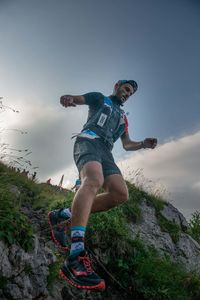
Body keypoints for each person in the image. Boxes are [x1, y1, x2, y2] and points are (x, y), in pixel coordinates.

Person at [48, 80, 157, 291]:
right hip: (88, 140)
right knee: (94, 181)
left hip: (106, 153)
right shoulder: (100, 98)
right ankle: (75, 256)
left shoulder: (124, 119)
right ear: (117, 86)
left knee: (120, 194)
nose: (127, 94)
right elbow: (79, 99)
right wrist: (70, 98)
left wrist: (143, 143)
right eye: (126, 89)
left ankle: (62, 216)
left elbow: (126, 144)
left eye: (131, 93)